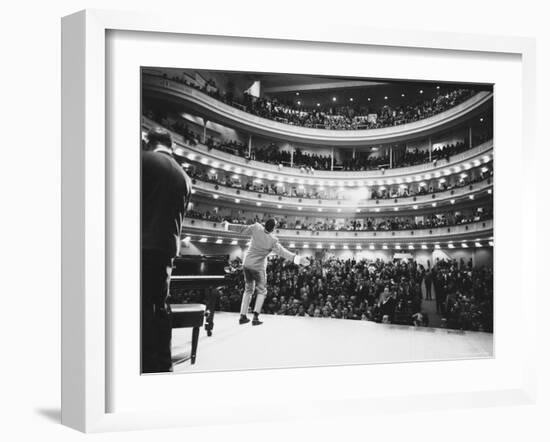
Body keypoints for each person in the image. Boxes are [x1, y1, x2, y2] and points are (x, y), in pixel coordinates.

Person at [141, 127, 192, 373]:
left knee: (138, 306)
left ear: (150, 142)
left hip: (140, 243)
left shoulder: (144, 160)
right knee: (158, 307)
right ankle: (161, 363)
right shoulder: (184, 177)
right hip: (166, 249)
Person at [223, 218, 310, 325]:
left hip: (247, 264)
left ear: (264, 224)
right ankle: (255, 317)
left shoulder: (256, 227)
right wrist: (299, 260)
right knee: (262, 291)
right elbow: (284, 253)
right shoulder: (272, 241)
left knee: (248, 290)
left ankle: (242, 316)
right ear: (273, 228)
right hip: (258, 268)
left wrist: (228, 226)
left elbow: (242, 228)